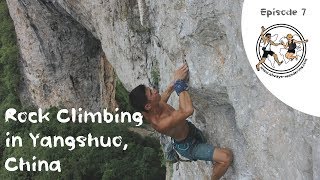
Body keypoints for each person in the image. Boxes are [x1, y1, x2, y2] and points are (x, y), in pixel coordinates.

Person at [129, 64, 233, 180]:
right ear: (148, 105)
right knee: (226, 157)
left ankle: (213, 162)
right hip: (189, 146)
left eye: (151, 89)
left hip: (190, 130)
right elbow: (187, 110)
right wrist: (179, 84)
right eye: (151, 93)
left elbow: (165, 95)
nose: (155, 91)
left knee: (215, 156)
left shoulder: (152, 107)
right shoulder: (160, 123)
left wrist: (174, 81)